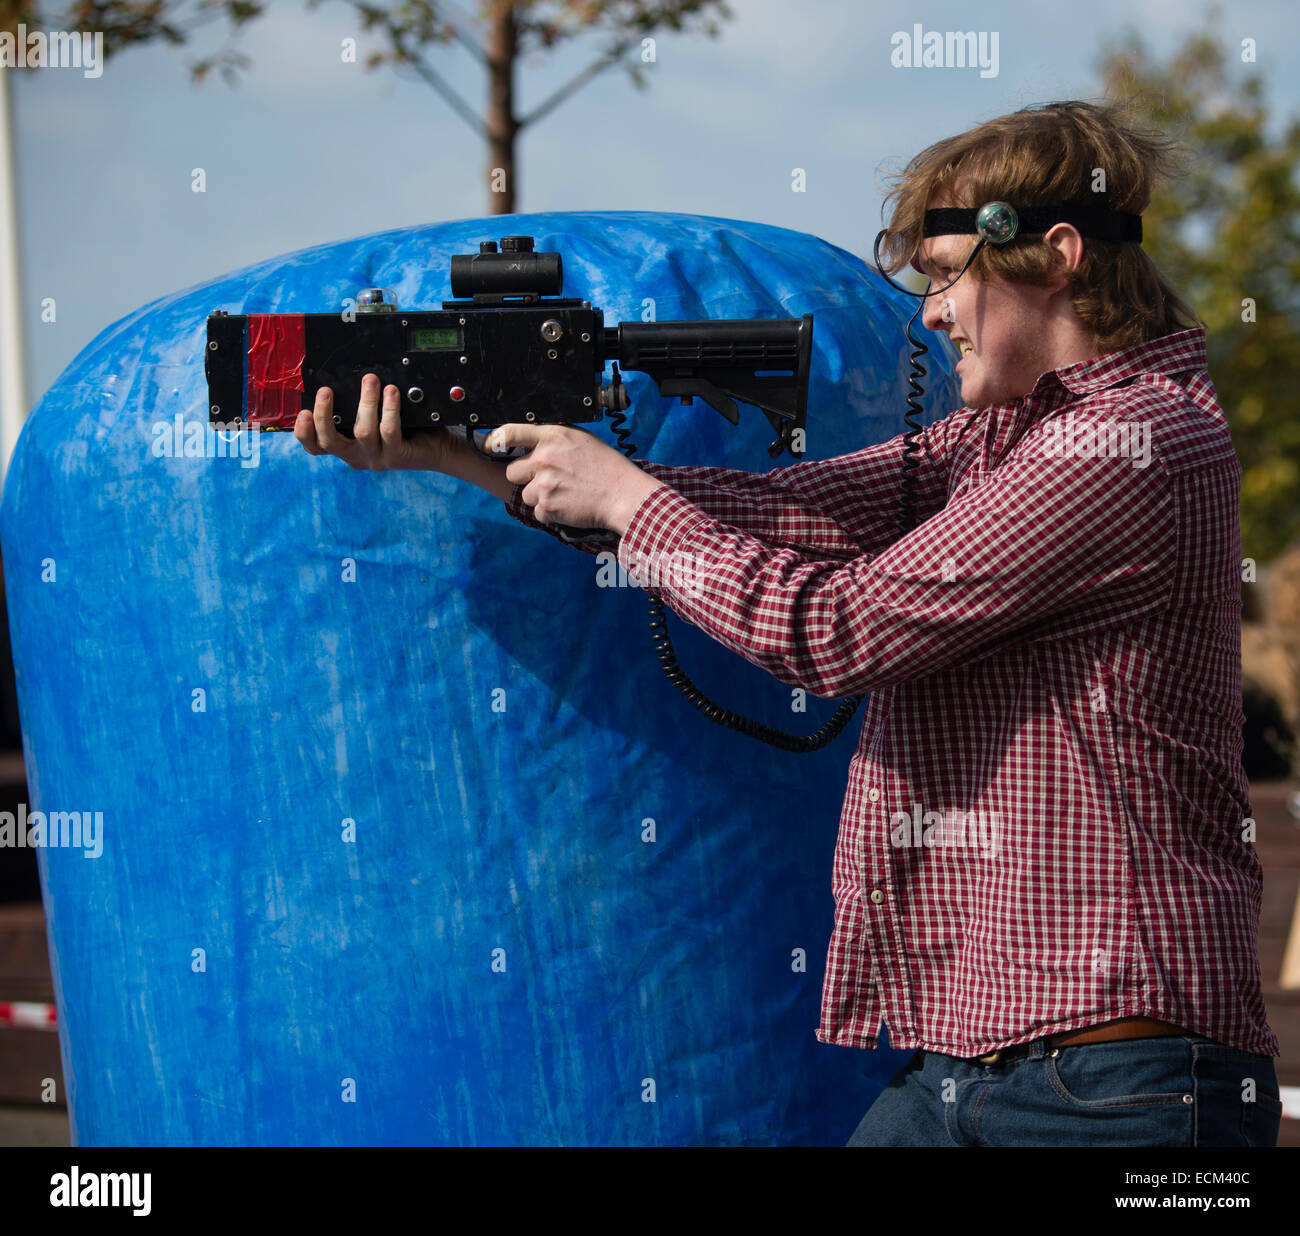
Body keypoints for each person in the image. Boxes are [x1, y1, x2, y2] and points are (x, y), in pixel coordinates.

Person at [295, 100, 1282, 1148]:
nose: (932, 313)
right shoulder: (997, 443)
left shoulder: (1126, 442)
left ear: (1057, 256)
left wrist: (627, 499)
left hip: (1116, 1082)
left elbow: (840, 632)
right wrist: (465, 455)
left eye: (947, 274)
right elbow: (782, 512)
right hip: (983, 1060)